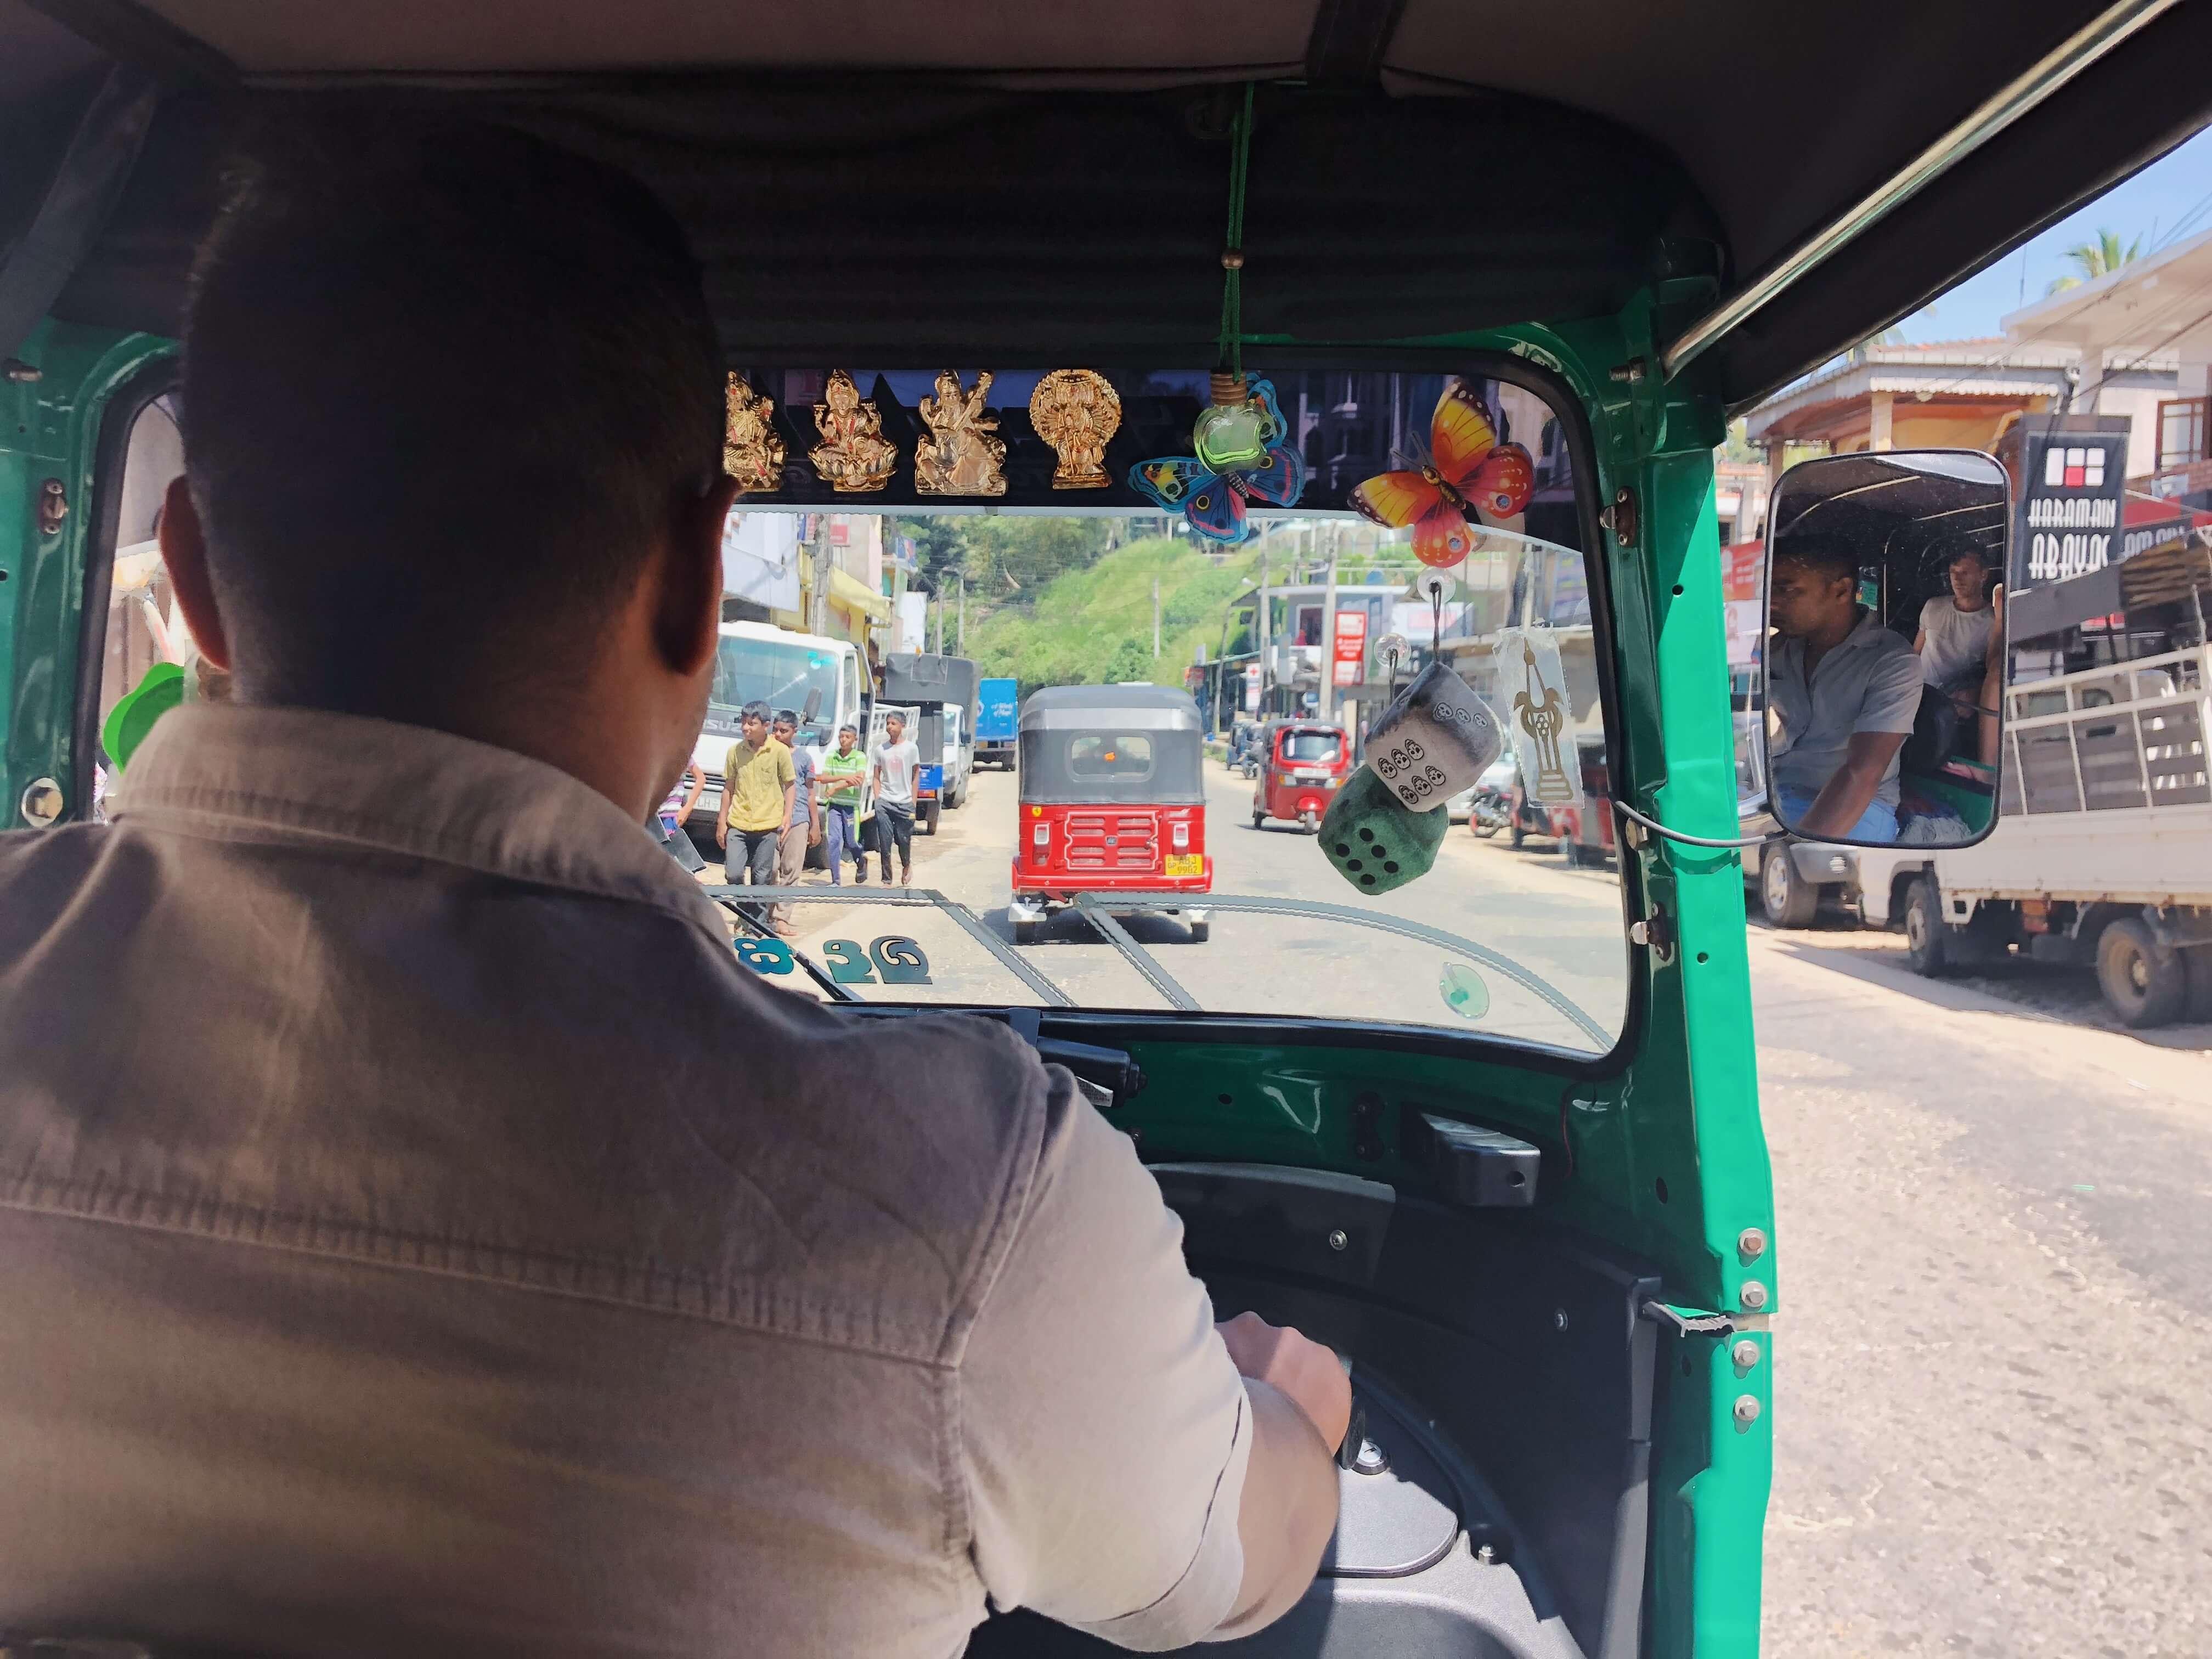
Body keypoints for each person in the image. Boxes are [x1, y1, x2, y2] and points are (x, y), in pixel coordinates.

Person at [0, 119, 1347, 1656]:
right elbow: (1220, 1569)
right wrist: (1291, 1413)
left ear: (188, 573)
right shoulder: (966, 1200)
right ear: (702, 580)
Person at [1765, 531, 1923, 843]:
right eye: (1770, 589)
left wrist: (1800, 847)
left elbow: (1861, 774)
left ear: (1842, 590)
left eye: (1787, 590)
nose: (1774, 602)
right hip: (1777, 795)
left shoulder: (1892, 661)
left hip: (1858, 809)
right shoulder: (1778, 649)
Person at [1912, 543, 2005, 766]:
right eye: (1953, 572)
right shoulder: (1933, 607)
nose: (1957, 579)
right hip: (1917, 699)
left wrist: (1974, 693)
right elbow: (1914, 655)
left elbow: (1993, 669)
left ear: (1983, 575)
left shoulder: (1994, 621)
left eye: (1965, 572)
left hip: (1953, 711)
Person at [716, 698, 794, 902]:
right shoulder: (735, 752)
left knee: (761, 878)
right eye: (743, 722)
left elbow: (790, 786)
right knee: (733, 874)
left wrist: (787, 816)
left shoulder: (780, 751)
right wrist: (722, 822)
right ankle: (744, 911)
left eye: (751, 724)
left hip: (767, 826)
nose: (745, 728)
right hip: (738, 824)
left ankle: (754, 925)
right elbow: (729, 788)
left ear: (766, 726)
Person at [768, 707, 822, 932]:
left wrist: (815, 824)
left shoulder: (804, 758)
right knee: (768, 870)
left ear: (794, 732)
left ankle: (782, 918)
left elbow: (810, 793)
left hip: (799, 819)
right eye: (776, 730)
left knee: (791, 870)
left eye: (784, 731)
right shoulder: (767, 753)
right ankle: (765, 916)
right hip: (768, 819)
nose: (779, 735)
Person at [871, 708, 920, 885]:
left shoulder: (911, 749)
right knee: (885, 841)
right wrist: (878, 800)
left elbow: (916, 776)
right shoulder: (880, 750)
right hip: (885, 802)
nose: (890, 727)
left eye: (893, 724)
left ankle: (906, 865)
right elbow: (876, 776)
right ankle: (886, 879)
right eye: (888, 724)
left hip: (905, 803)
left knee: (904, 840)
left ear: (903, 726)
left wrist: (913, 802)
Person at [818, 722, 869, 885]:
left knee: (852, 841)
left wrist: (837, 787)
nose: (843, 740)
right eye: (841, 737)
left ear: (854, 739)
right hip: (834, 805)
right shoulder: (832, 756)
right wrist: (844, 778)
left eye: (847, 737)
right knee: (833, 841)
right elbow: (823, 777)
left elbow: (859, 779)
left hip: (850, 806)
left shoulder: (859, 756)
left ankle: (861, 862)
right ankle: (836, 881)